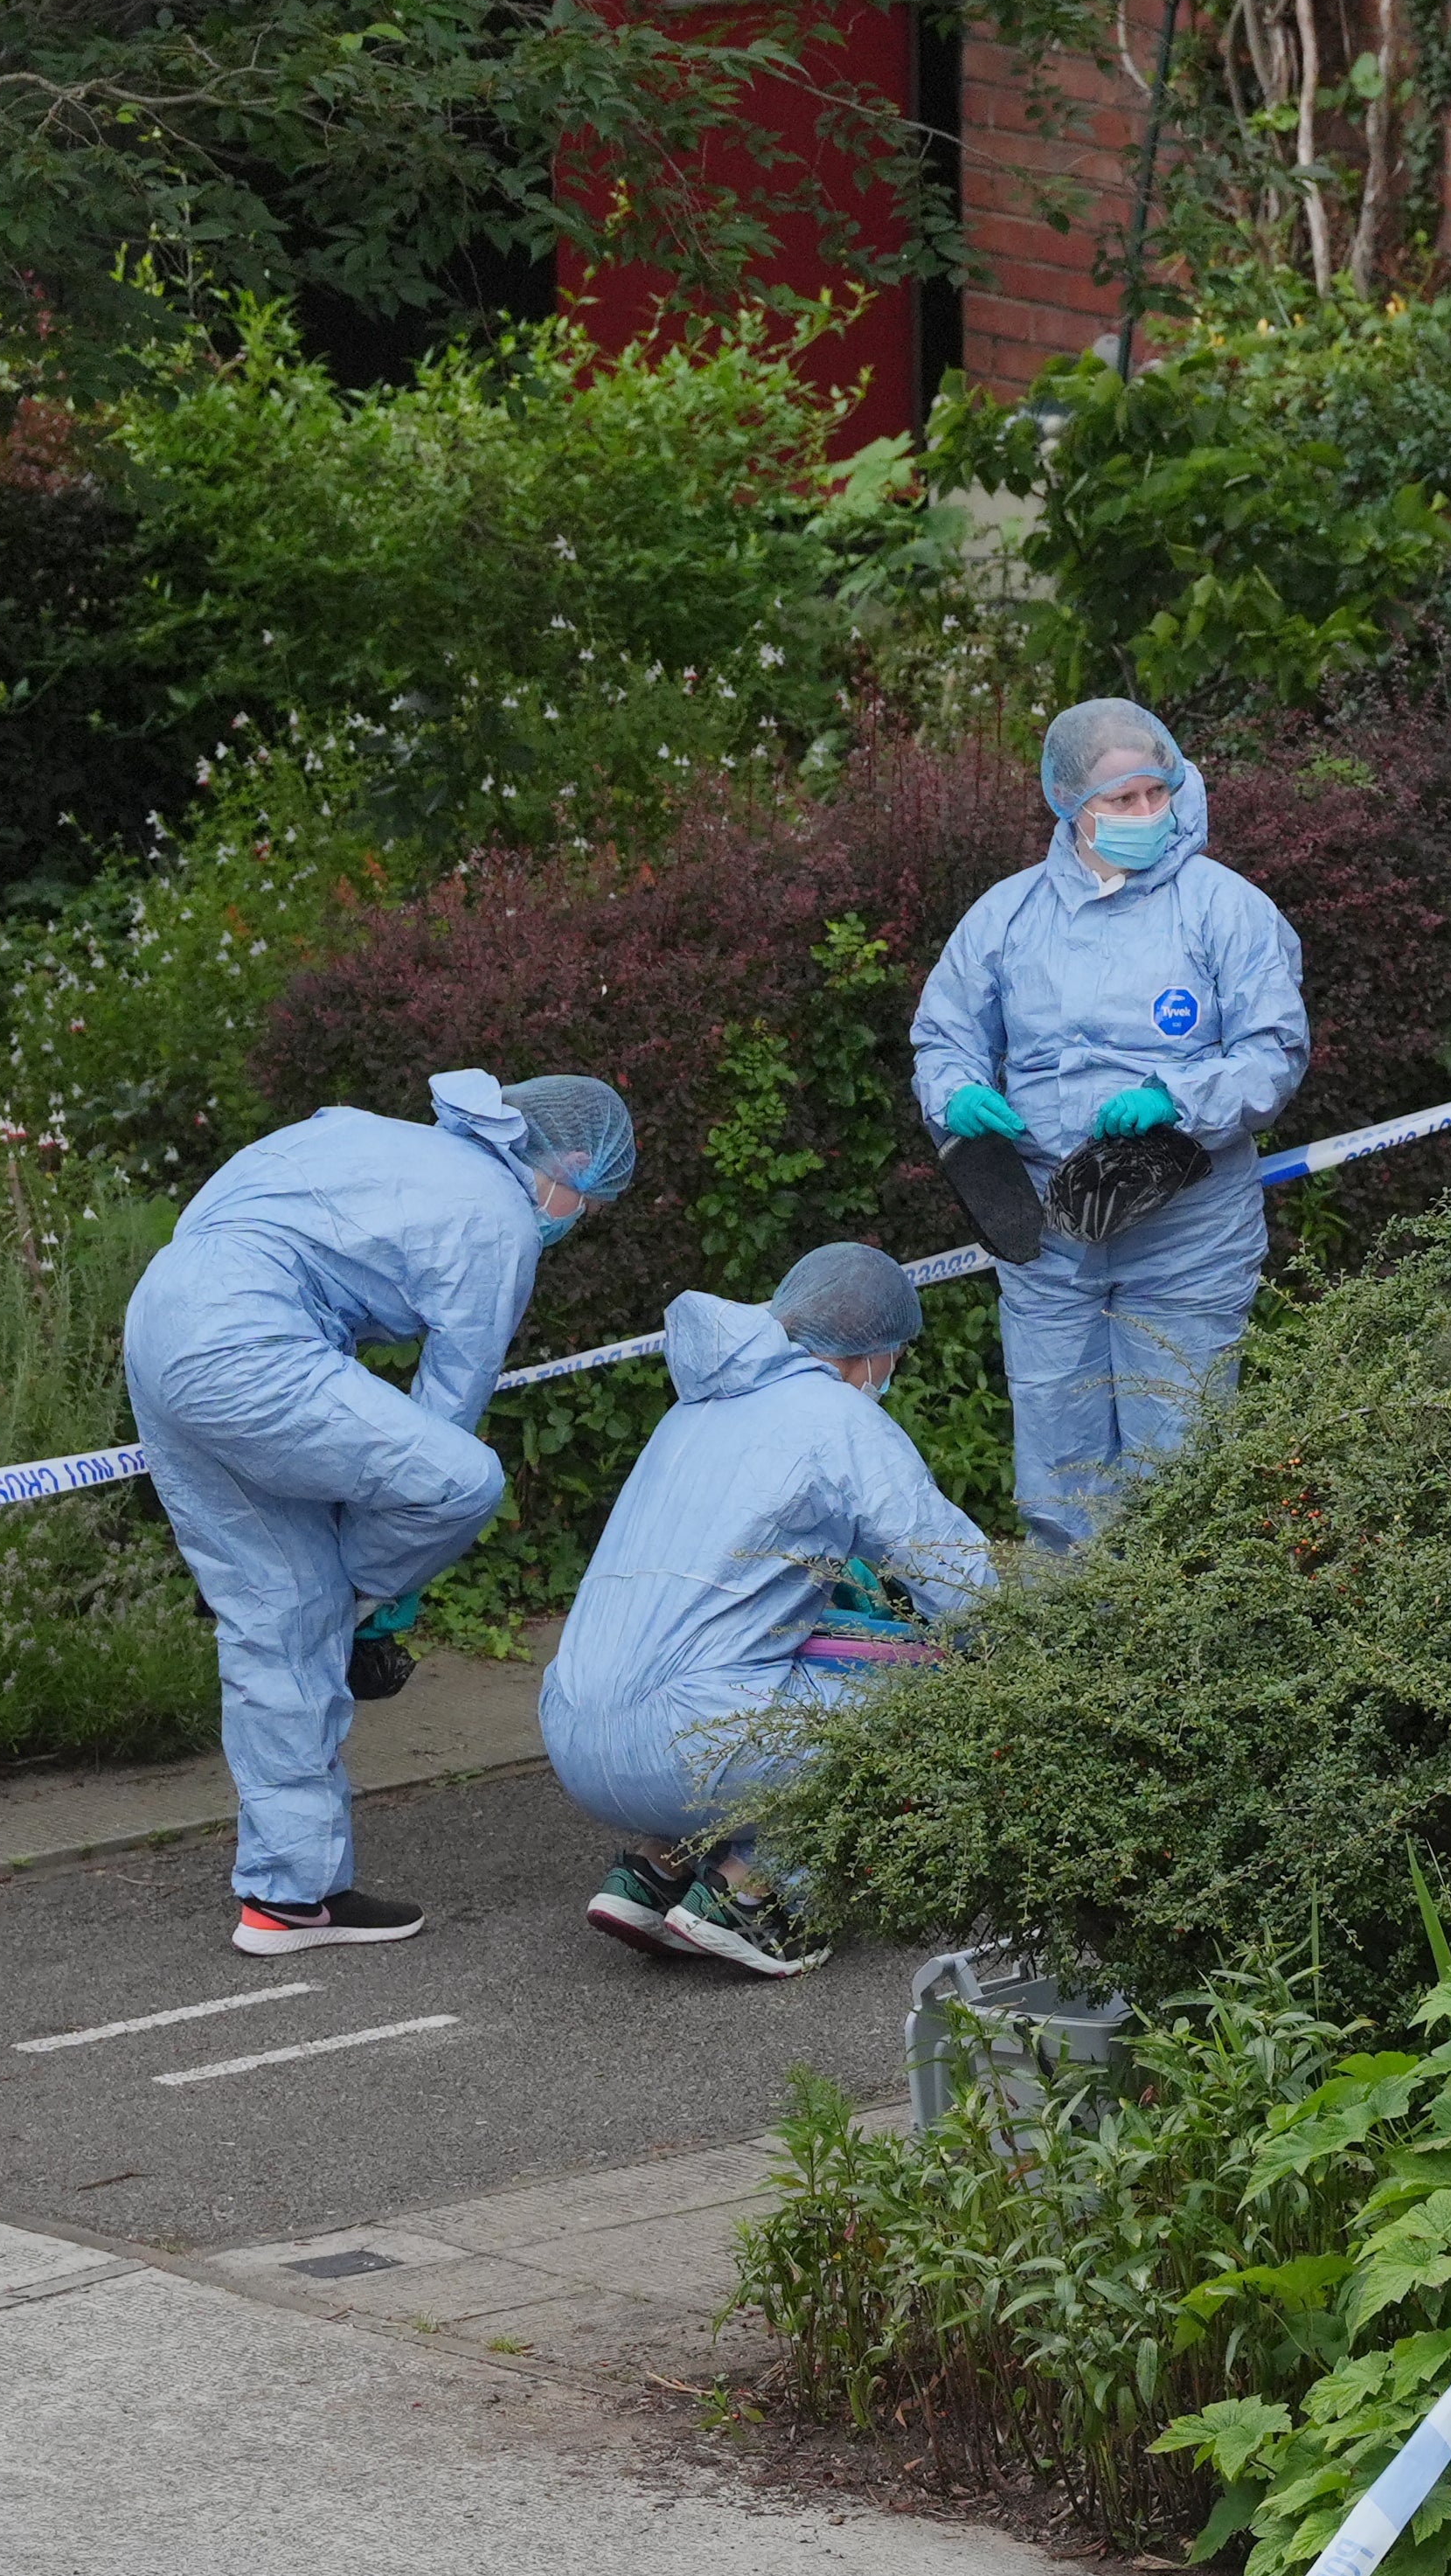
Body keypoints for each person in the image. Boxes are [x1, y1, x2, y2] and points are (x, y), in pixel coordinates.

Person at [125, 1066, 632, 1954]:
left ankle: (289, 1898)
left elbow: (216, 1216)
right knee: (463, 1479)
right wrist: (385, 1589)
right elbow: (447, 1411)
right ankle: (358, 1609)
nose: (571, 1222)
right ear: (570, 1164)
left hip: (162, 1321)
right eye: (583, 1205)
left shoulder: (364, 1130)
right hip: (253, 1338)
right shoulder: (502, 1216)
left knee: (277, 1616)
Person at [911, 700, 1308, 1546]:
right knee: (1060, 1465)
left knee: (1182, 1465)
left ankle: (1177, 1658)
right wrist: (954, 1094)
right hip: (1049, 1232)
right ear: (1067, 804)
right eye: (1118, 800)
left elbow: (1275, 1051)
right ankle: (1077, 1656)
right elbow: (944, 1035)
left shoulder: (1225, 910)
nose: (1141, 816)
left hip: (1190, 1233)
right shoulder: (1007, 919)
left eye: (1153, 795)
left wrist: (1179, 1096)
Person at [545, 1244, 996, 1974]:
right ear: (871, 1352)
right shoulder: (835, 1417)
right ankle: (755, 1897)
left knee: (744, 1686)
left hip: (571, 1731)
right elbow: (952, 1569)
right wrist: (1006, 1652)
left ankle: (654, 1868)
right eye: (897, 1358)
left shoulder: (691, 1411)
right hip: (690, 1746)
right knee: (917, 1706)